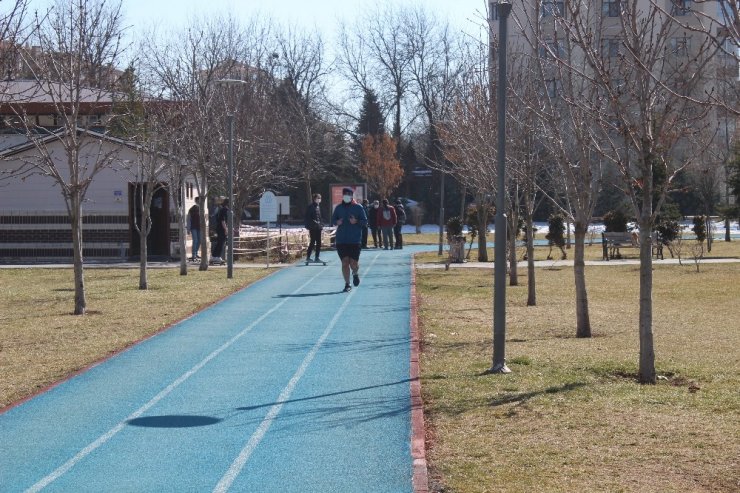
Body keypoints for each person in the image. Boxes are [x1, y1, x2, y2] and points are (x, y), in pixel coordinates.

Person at [331, 187, 367, 292]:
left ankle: (355, 273)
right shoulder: (339, 208)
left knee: (353, 263)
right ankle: (347, 284)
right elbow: (333, 220)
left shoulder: (358, 207)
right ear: (343, 196)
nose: (347, 197)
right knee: (345, 262)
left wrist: (356, 221)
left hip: (355, 240)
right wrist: (337, 222)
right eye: (345, 195)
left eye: (349, 195)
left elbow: (364, 222)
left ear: (352, 196)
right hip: (341, 240)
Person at [304, 193, 324, 262]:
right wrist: (312, 223)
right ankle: (308, 257)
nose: (319, 200)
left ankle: (317, 257)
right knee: (312, 242)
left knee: (319, 242)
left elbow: (319, 217)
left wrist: (321, 224)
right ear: (315, 199)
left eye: (320, 198)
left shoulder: (318, 206)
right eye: (318, 198)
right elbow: (308, 217)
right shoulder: (310, 207)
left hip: (318, 227)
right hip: (312, 227)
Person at [211, 198, 229, 263]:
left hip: (219, 228)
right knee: (221, 243)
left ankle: (214, 256)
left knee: (220, 243)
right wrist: (226, 229)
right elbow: (223, 220)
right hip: (222, 228)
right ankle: (217, 256)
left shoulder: (221, 209)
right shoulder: (224, 210)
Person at [187, 197, 201, 261]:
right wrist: (188, 229)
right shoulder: (192, 209)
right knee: (195, 240)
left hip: (200, 227)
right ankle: (193, 255)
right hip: (194, 227)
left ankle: (196, 253)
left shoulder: (202, 209)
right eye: (198, 201)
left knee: (199, 240)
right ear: (196, 201)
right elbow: (189, 219)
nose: (199, 202)